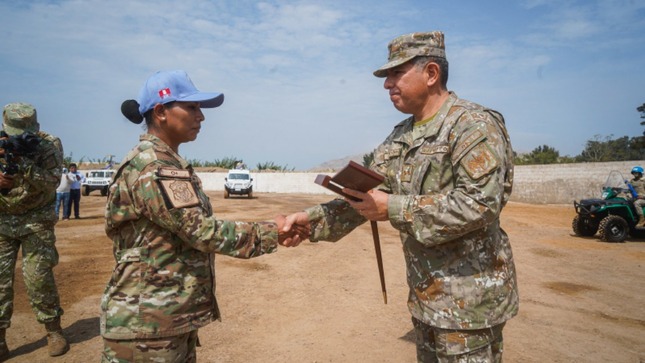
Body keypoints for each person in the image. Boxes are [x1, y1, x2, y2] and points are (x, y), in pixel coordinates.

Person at [282, 31, 518, 362]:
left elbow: (480, 204)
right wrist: (311, 220)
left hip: (471, 306)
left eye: (396, 73)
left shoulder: (472, 126)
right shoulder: (400, 138)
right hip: (426, 300)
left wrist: (394, 207)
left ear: (432, 74)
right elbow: (365, 198)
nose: (387, 84)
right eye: (386, 76)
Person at [101, 69, 304, 362]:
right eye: (192, 107)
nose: (201, 116)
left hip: (166, 319)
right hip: (146, 325)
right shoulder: (153, 167)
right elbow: (201, 231)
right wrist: (274, 229)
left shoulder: (167, 162)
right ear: (160, 111)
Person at [0, 103, 70, 359]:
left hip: (36, 219)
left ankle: (54, 330)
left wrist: (24, 167)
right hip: (2, 219)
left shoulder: (49, 145)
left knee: (38, 278)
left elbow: (52, 183)